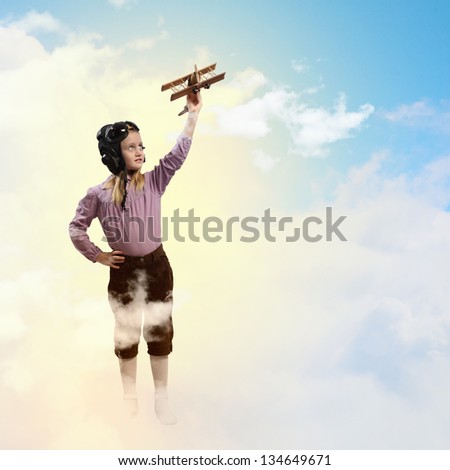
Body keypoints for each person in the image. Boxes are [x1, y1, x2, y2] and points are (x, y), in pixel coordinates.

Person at [69, 92, 202, 424]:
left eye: (141, 145)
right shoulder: (97, 194)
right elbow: (76, 228)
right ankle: (130, 397)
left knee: (159, 332)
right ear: (115, 154)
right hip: (124, 272)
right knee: (126, 334)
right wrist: (97, 255)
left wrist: (193, 115)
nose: (140, 151)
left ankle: (161, 398)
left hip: (158, 268)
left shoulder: (155, 181)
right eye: (131, 147)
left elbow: (177, 155)